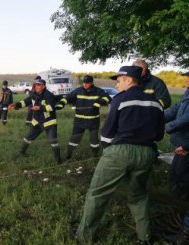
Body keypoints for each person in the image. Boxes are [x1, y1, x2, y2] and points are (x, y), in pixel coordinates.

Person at [76, 66, 165, 244]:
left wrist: (109, 150)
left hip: (120, 152)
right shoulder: (155, 101)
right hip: (147, 153)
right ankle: (144, 238)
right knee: (138, 196)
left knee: (97, 193)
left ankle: (84, 237)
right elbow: (159, 135)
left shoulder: (120, 99)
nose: (116, 85)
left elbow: (107, 133)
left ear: (129, 80)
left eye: (119, 80)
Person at [56, 75, 111, 159]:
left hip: (93, 121)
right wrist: (61, 103)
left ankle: (95, 156)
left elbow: (108, 98)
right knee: (74, 140)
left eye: (87, 83)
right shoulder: (78, 91)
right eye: (84, 83)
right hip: (79, 121)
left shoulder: (98, 91)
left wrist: (100, 102)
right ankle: (68, 155)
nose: (85, 85)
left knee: (94, 141)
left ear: (92, 83)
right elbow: (68, 98)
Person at [8, 79, 62, 164]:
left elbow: (52, 108)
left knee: (53, 141)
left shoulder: (49, 95)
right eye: (35, 85)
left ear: (43, 86)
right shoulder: (33, 94)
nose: (36, 87)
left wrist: (40, 107)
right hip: (37, 121)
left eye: (38, 85)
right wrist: (16, 105)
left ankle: (58, 161)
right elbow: (25, 102)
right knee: (28, 138)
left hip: (49, 122)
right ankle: (21, 152)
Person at [164, 71, 189, 244]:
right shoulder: (188, 92)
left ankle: (184, 235)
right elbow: (177, 108)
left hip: (186, 147)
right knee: (179, 178)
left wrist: (167, 127)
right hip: (184, 145)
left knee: (183, 181)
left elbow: (186, 118)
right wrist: (156, 116)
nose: (186, 79)